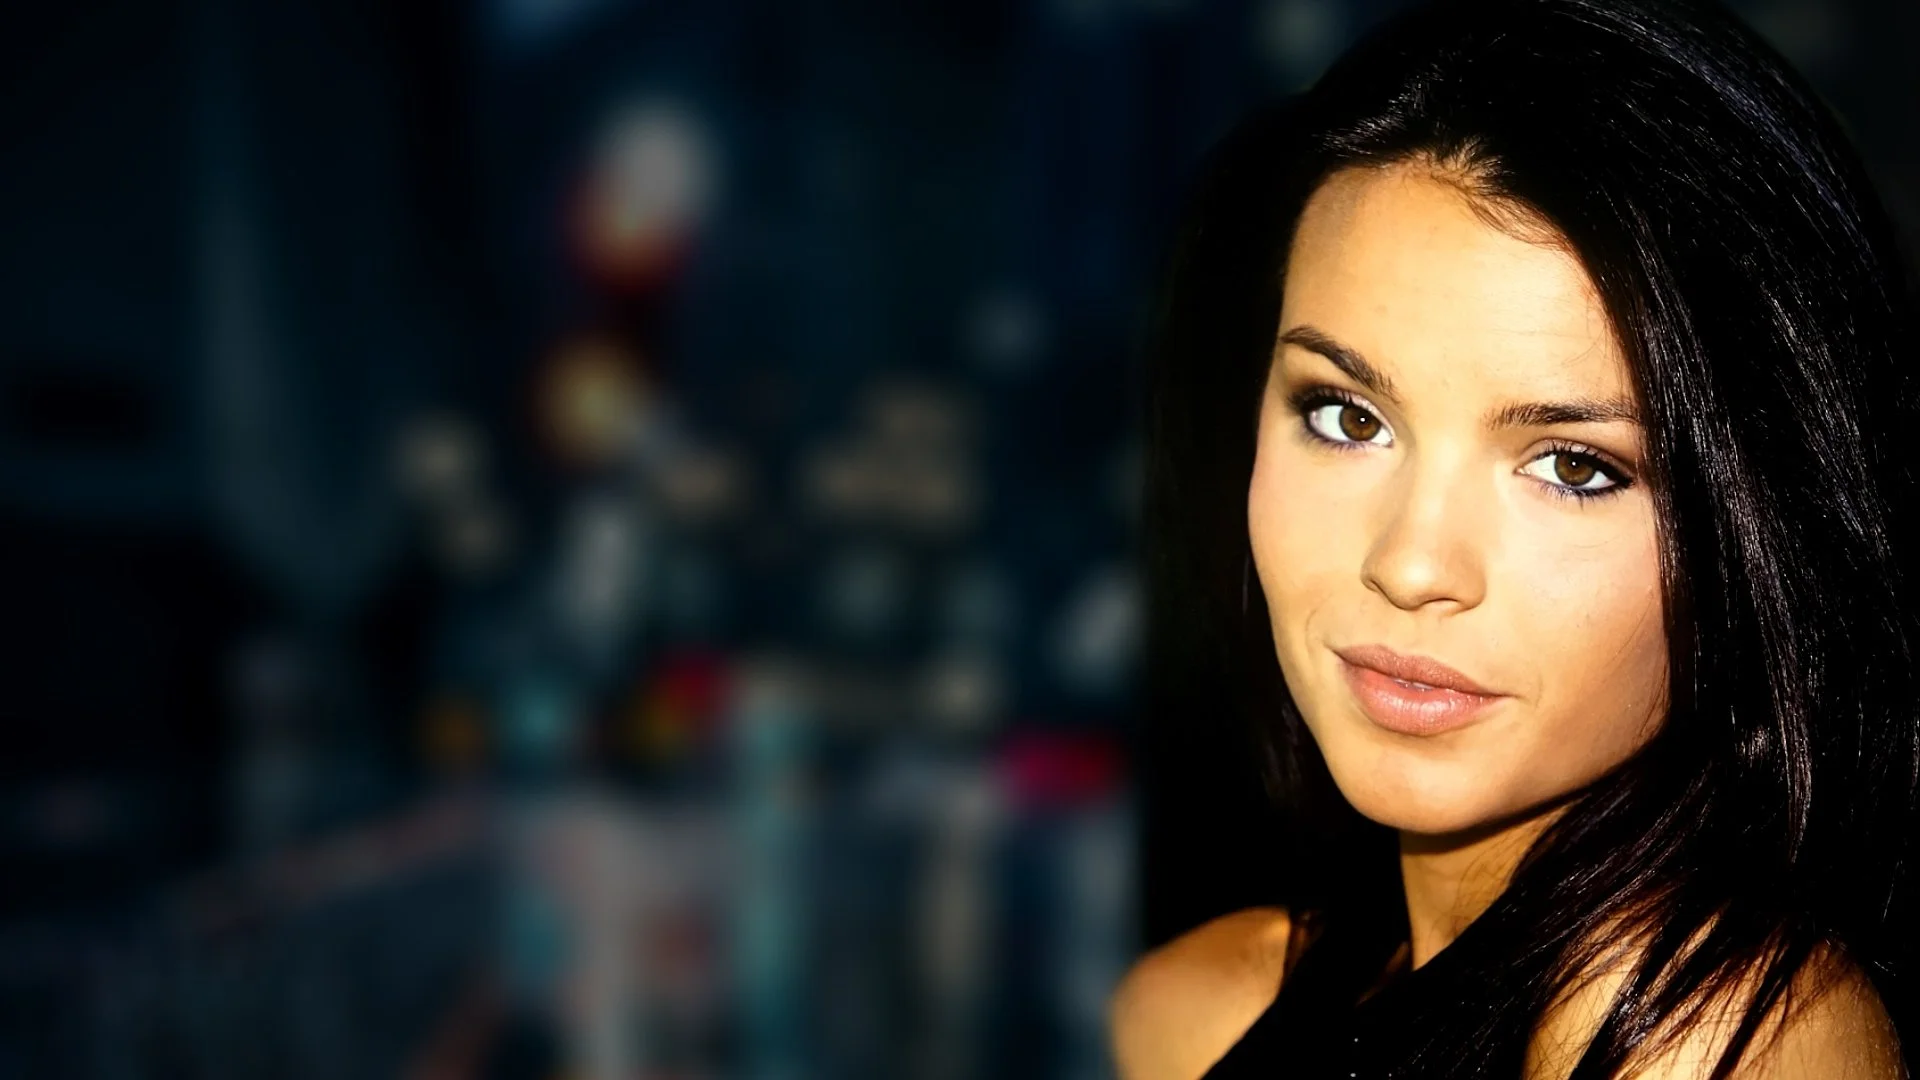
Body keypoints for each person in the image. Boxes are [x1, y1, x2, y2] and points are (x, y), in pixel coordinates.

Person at [1110, 0, 1920, 1076]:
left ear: (1764, 527)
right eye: (1347, 417)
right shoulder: (1190, 1013)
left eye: (1574, 468)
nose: (1410, 565)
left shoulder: (1705, 1033)